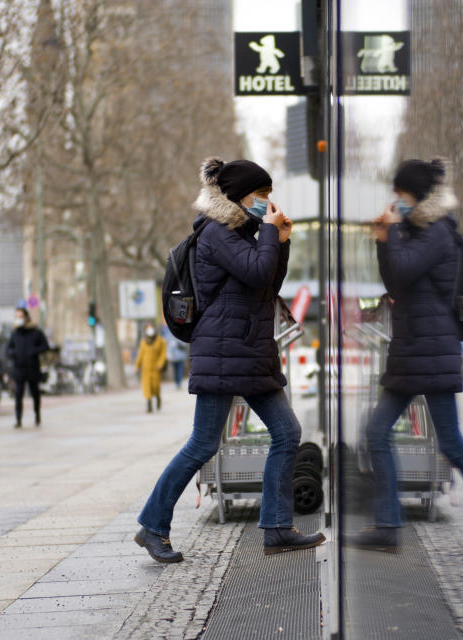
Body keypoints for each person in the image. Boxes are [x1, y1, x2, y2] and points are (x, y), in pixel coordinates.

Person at [134, 157, 325, 563]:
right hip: (224, 353)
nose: (266, 203)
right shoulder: (217, 234)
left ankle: (276, 527)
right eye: (262, 195)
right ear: (240, 196)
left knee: (287, 433)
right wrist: (271, 234)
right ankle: (153, 526)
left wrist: (282, 240)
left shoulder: (241, 233)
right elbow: (257, 272)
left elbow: (267, 284)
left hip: (249, 352)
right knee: (202, 444)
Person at [347, 158, 463, 561]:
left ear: (416, 195)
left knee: (451, 443)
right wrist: (384, 238)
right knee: (379, 432)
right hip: (413, 350)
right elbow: (394, 280)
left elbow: (402, 271)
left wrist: (388, 235)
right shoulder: (417, 230)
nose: (395, 201)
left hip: (431, 351)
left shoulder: (437, 232)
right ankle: (389, 525)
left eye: (400, 194)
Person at [6, 307, 48, 428]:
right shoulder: (14, 333)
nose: (18, 319)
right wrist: (12, 353)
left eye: (20, 316)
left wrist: (33, 351)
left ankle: (37, 416)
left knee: (35, 393)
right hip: (19, 368)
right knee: (18, 394)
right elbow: (8, 348)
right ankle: (18, 419)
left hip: (32, 368)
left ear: (26, 317)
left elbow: (45, 346)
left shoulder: (36, 332)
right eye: (17, 316)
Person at [135, 322, 167, 412]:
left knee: (155, 387)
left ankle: (158, 397)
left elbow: (163, 354)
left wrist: (160, 364)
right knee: (146, 387)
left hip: (156, 369)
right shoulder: (143, 342)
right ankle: (149, 404)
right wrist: (137, 365)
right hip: (146, 369)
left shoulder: (160, 341)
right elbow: (140, 354)